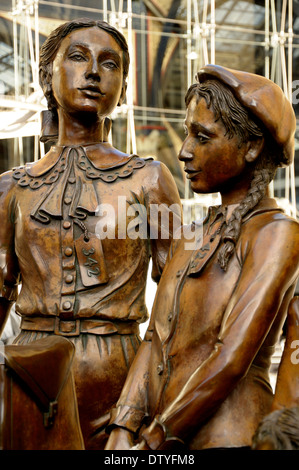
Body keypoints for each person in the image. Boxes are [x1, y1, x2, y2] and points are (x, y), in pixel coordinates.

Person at [0, 18, 182, 449]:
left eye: (111, 64)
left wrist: (147, 401)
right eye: (78, 57)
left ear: (123, 85)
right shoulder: (11, 187)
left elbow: (178, 297)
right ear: (48, 74)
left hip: (118, 379)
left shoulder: (151, 180)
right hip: (28, 373)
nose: (95, 73)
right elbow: (2, 285)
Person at [105, 65, 299, 450]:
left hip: (229, 438)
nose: (184, 151)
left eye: (202, 136)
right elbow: (153, 340)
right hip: (160, 438)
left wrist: (154, 439)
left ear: (252, 147)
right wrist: (122, 427)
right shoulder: (191, 235)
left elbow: (231, 356)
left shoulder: (277, 233)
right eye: (187, 133)